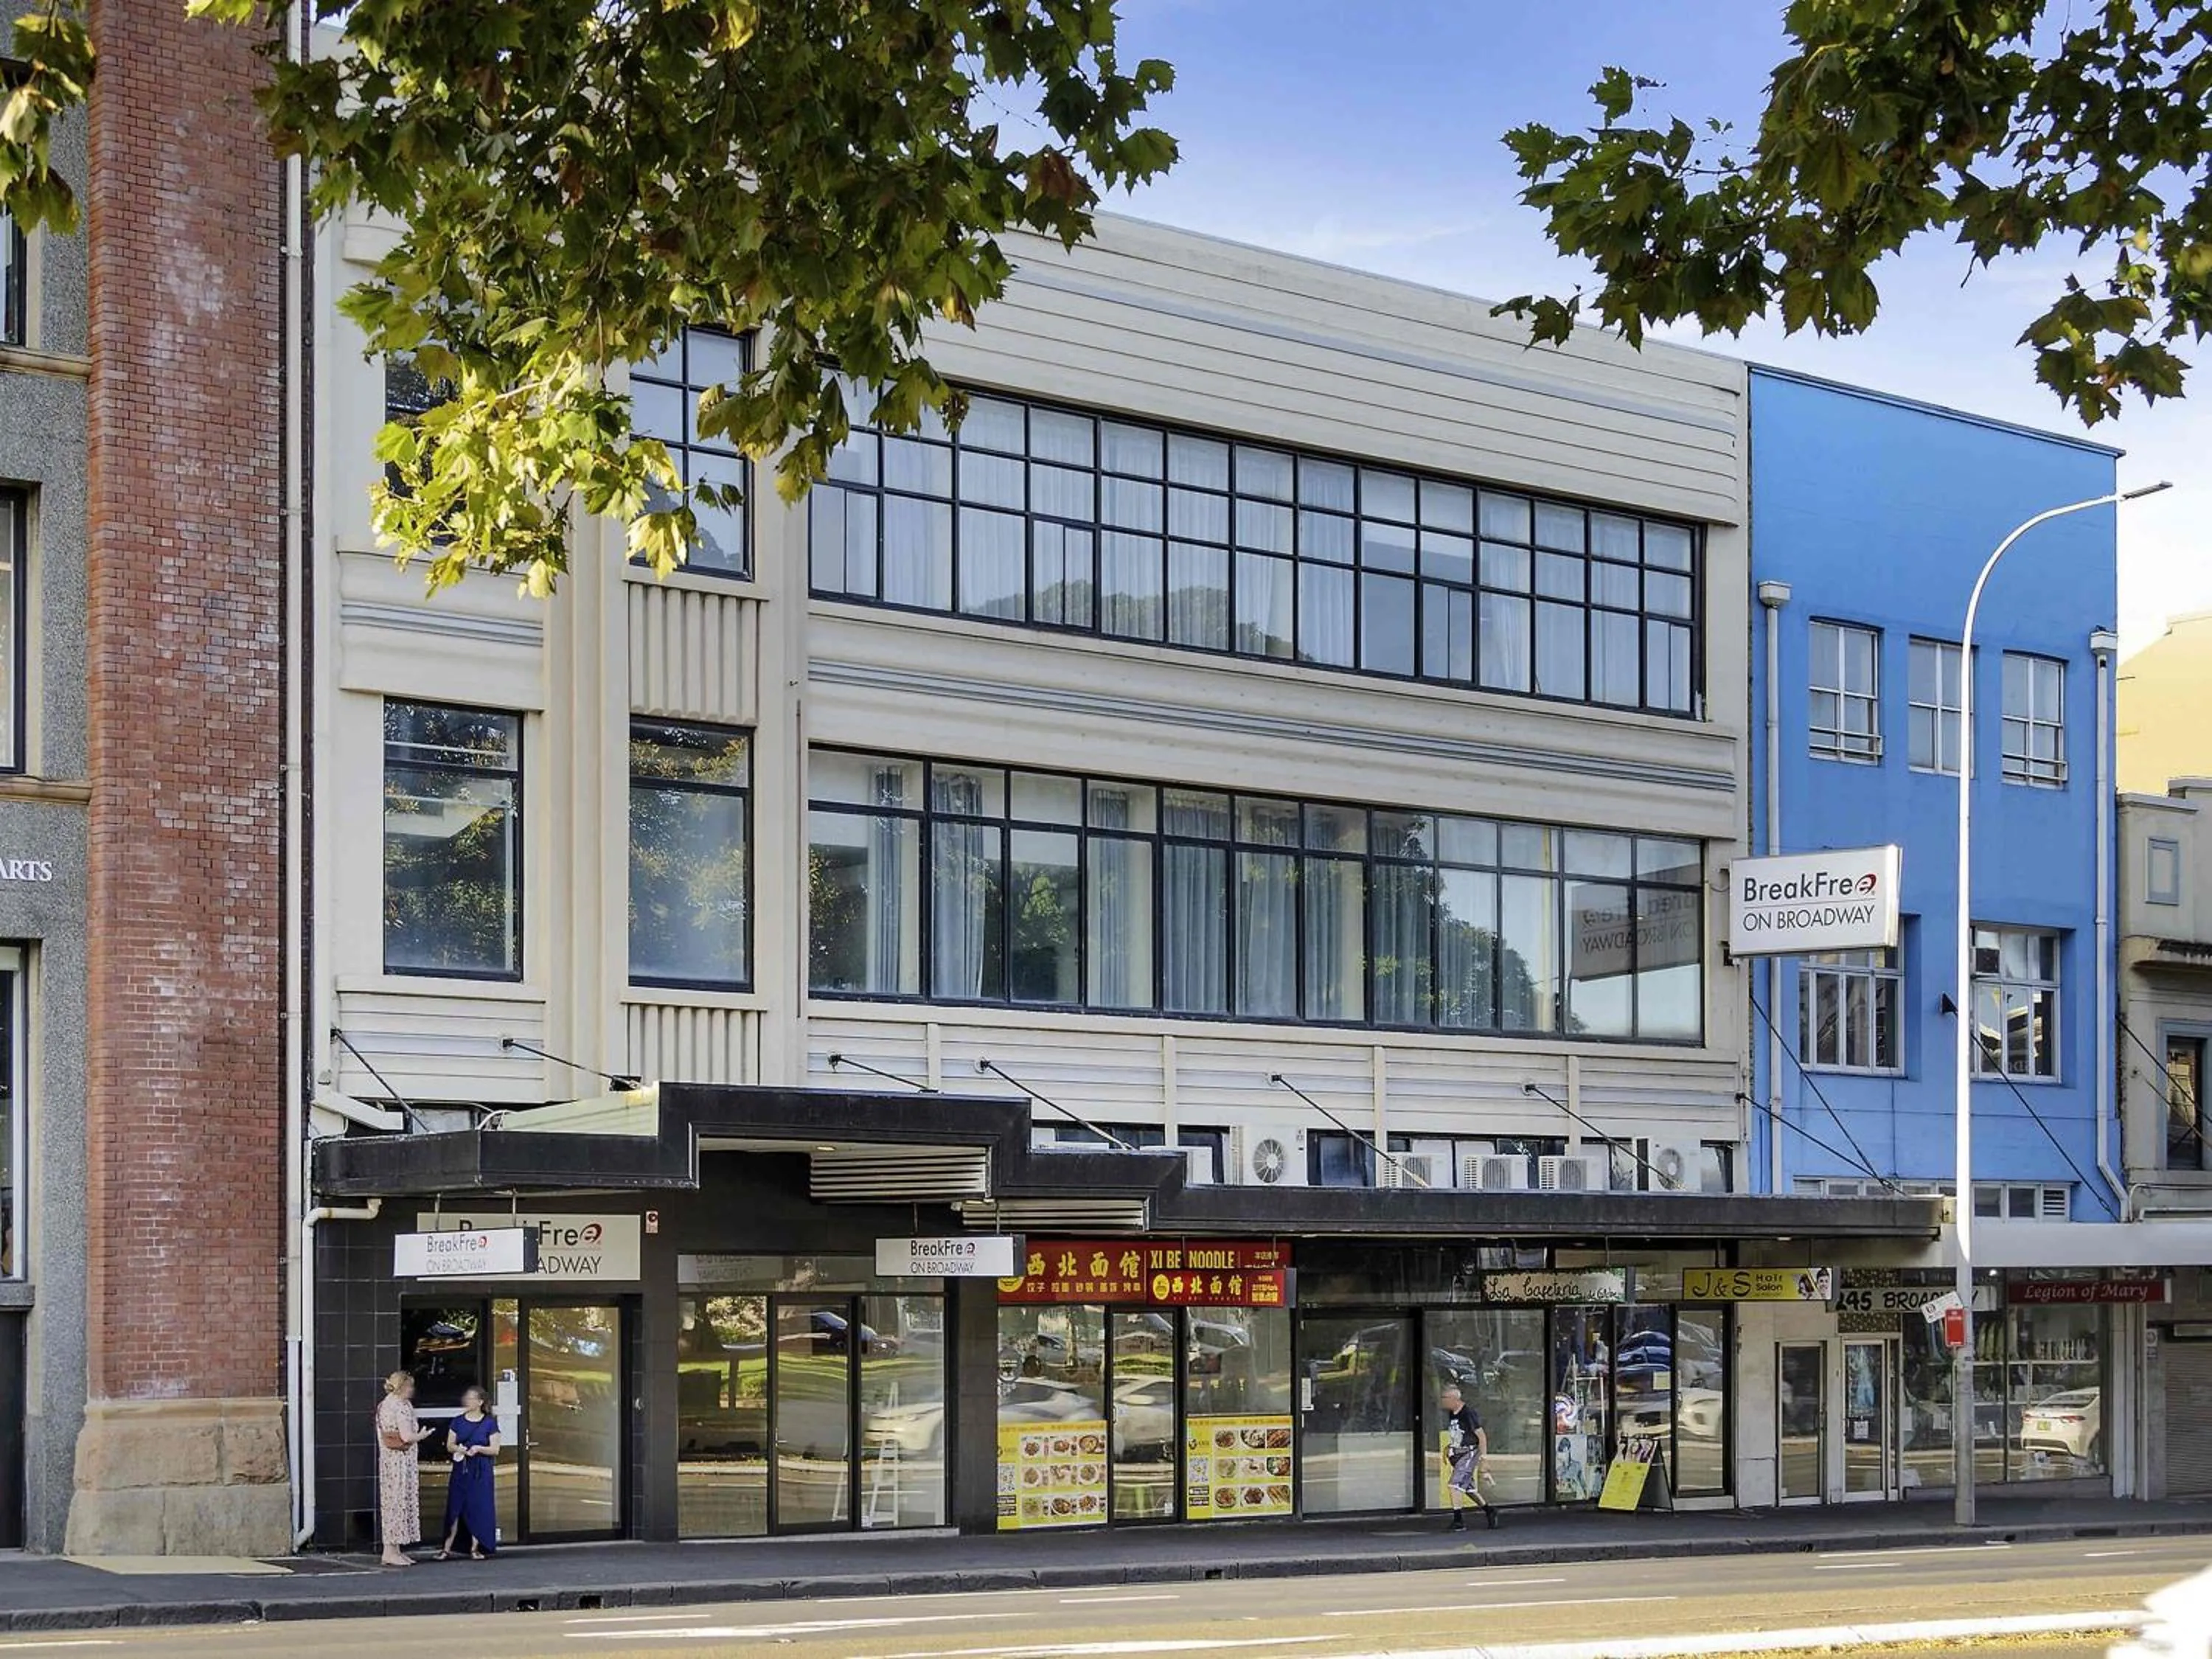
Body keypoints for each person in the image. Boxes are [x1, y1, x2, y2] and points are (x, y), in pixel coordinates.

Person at [375, 1371, 437, 1568]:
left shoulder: (385, 1404)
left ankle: (394, 1550)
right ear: (402, 1387)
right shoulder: (400, 1406)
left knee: (392, 1502)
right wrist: (423, 1435)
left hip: (389, 1460)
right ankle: (391, 1551)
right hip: (400, 1461)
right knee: (398, 1501)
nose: (412, 1390)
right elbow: (407, 1436)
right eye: (409, 1386)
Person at [438, 1385, 502, 1559]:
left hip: (481, 1471)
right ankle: (447, 1547)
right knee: (456, 1506)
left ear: (480, 1402)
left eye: (472, 1398)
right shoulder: (458, 1421)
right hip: (461, 1469)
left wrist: (479, 1449)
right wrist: (459, 1448)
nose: (467, 1400)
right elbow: (450, 1445)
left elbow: (495, 1449)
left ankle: (475, 1547)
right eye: (467, 1397)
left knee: (478, 1508)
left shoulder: (490, 1423)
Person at [1440, 1382, 1498, 1531]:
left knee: (1454, 1485)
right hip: (1457, 1453)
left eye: (1445, 1398)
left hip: (1469, 1453)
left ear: (1454, 1399)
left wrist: (1484, 1459)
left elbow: (1481, 1436)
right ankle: (1489, 1510)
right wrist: (1449, 1447)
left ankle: (1459, 1521)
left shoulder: (1468, 1413)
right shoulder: (1452, 1413)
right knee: (1468, 1488)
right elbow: (1459, 1434)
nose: (1443, 1401)